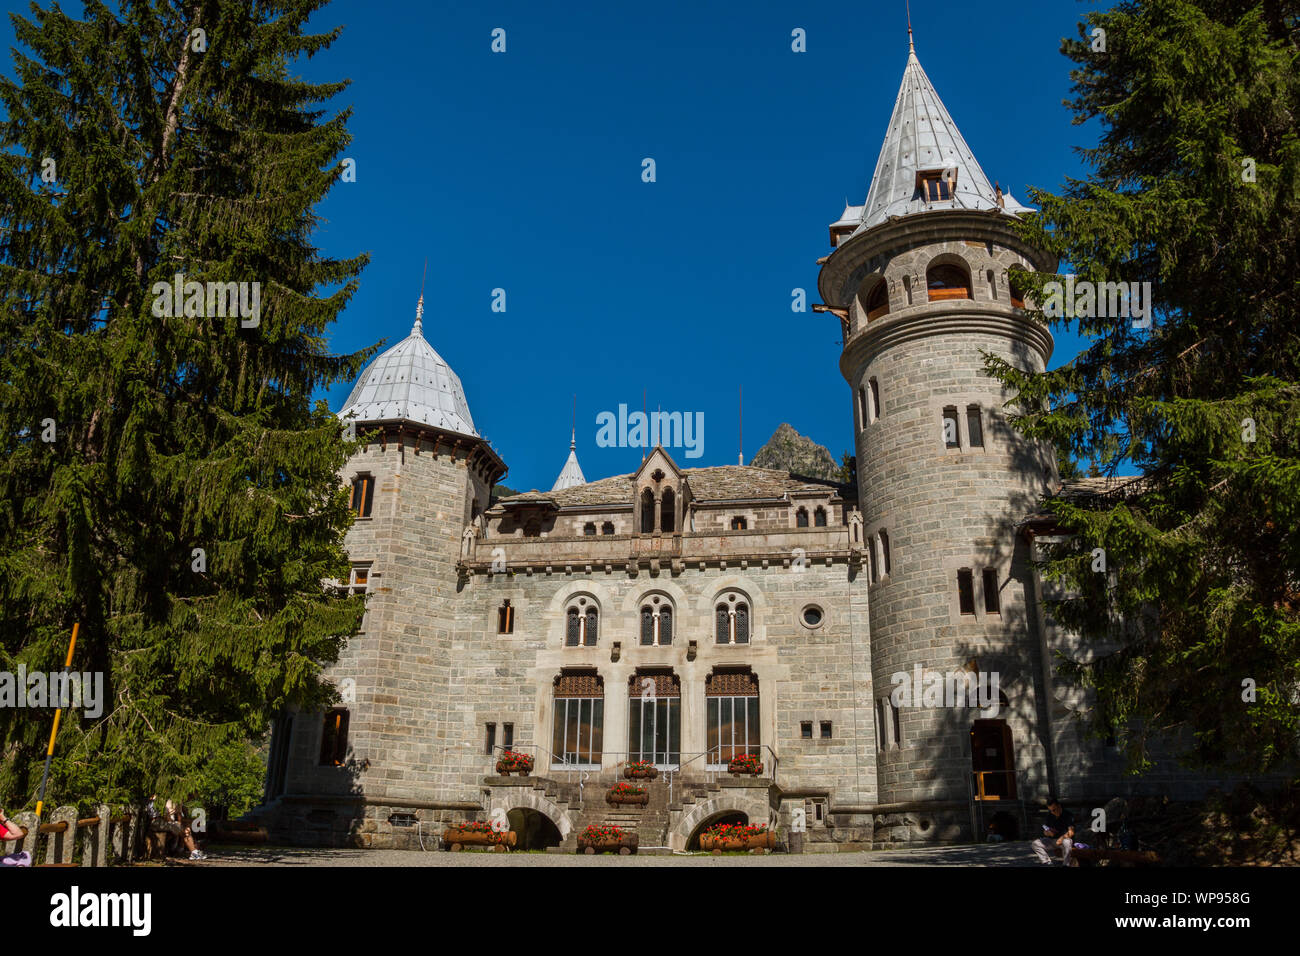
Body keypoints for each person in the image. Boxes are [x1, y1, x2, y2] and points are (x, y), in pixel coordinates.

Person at [149, 795, 206, 860]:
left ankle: (192, 851)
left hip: (164, 821)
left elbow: (176, 817)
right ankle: (192, 852)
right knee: (186, 830)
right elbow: (165, 816)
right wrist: (175, 823)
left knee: (185, 828)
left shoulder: (168, 800)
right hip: (158, 822)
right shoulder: (160, 800)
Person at [1032, 797, 1075, 865]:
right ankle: (1047, 862)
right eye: (1050, 810)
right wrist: (1047, 832)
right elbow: (1046, 829)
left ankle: (1066, 864)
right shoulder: (1050, 815)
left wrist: (1062, 838)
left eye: (1054, 810)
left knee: (1066, 842)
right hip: (1052, 840)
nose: (1052, 812)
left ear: (1059, 806)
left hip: (1063, 841)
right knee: (1035, 843)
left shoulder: (1068, 815)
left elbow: (1071, 832)